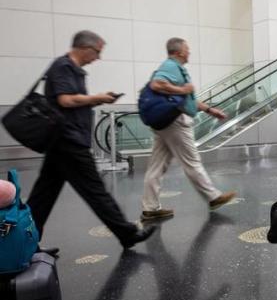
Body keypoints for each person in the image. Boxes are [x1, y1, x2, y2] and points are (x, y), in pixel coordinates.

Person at [27, 31, 155, 250]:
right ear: (85, 47)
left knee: (43, 196)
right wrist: (97, 98)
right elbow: (65, 100)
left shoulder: (73, 70)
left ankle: (25, 243)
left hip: (63, 141)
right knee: (95, 191)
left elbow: (72, 103)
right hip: (68, 141)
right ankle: (127, 233)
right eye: (97, 52)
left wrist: (96, 100)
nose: (98, 57)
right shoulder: (63, 67)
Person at [140, 38, 237, 221]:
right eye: (187, 49)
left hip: (164, 124)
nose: (189, 52)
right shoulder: (171, 66)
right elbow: (157, 84)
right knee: (191, 161)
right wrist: (184, 89)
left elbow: (186, 99)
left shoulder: (175, 68)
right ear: (179, 52)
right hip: (175, 122)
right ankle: (213, 197)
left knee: (156, 166)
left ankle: (150, 208)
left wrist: (209, 110)